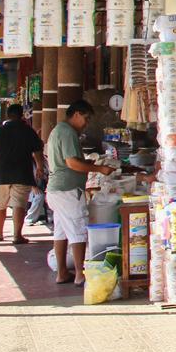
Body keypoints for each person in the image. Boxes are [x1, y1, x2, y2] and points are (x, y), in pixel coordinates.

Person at [46, 100, 115, 286]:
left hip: (55, 190)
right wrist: (99, 170)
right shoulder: (67, 132)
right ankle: (79, 274)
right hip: (68, 190)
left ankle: (62, 273)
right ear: (76, 114)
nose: (86, 122)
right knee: (78, 231)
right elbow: (72, 163)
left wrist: (92, 165)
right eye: (85, 118)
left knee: (60, 232)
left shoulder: (58, 131)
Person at [0, 104, 46, 244]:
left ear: (8, 115)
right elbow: (37, 152)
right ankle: (17, 236)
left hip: (0, 173)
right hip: (22, 172)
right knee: (19, 205)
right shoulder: (28, 131)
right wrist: (40, 168)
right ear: (22, 114)